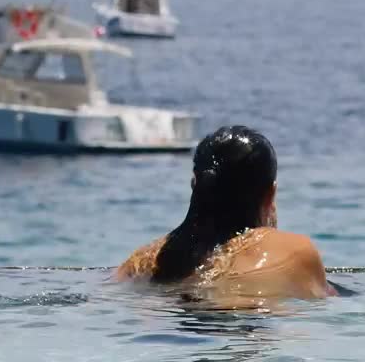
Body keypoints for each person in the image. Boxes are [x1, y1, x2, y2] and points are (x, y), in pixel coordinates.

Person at [113, 125, 334, 302]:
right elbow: (322, 299)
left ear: (195, 185)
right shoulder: (296, 250)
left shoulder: (142, 260)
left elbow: (112, 292)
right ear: (271, 193)